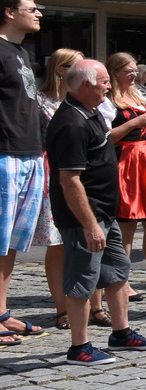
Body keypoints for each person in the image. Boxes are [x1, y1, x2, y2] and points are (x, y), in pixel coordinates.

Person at [46, 59, 146, 364]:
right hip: (85, 216)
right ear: (87, 84)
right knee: (82, 278)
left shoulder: (91, 112)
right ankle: (79, 347)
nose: (109, 86)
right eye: (104, 81)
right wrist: (89, 225)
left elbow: (103, 143)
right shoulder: (71, 122)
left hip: (103, 212)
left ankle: (121, 333)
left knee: (117, 271)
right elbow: (69, 181)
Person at [99, 53, 146, 298]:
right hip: (126, 162)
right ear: (115, 73)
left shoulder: (137, 95)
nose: (134, 75)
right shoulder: (106, 100)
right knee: (127, 225)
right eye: (128, 71)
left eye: (135, 70)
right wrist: (135, 124)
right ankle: (123, 281)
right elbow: (105, 137)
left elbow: (143, 128)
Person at [0, 0, 48, 344]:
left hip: (29, 153)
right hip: (4, 155)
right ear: (9, 12)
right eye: (32, 9)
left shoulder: (21, 52)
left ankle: (1, 311)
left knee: (13, 241)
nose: (39, 13)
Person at [35, 49, 94, 331]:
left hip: (85, 174)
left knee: (89, 237)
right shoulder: (40, 101)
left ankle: (96, 306)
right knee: (58, 244)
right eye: (74, 64)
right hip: (53, 173)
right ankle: (62, 309)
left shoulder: (87, 100)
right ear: (59, 69)